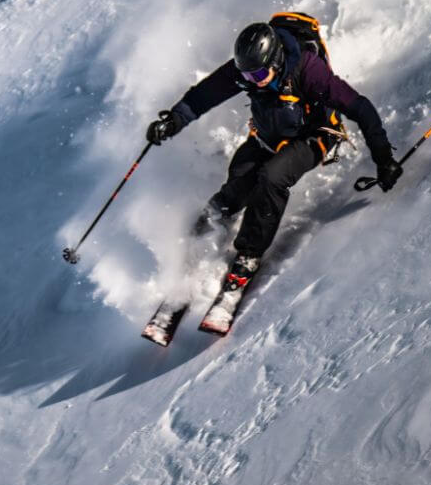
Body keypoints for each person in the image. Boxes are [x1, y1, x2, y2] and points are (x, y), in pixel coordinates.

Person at [145, 18, 403, 290]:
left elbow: (361, 108)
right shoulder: (248, 69)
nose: (250, 82)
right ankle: (217, 215)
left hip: (313, 137)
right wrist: (173, 121)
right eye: (245, 76)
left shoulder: (309, 71)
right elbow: (204, 95)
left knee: (271, 177)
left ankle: (249, 254)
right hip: (268, 137)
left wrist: (384, 160)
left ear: (276, 61)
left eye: (256, 76)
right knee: (239, 180)